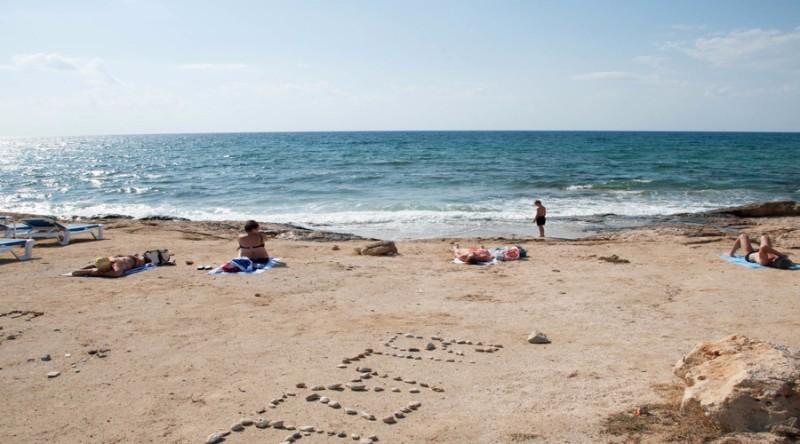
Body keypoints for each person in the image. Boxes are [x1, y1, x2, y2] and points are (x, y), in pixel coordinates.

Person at [729, 233, 794, 269]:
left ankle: (731, 253)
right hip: (761, 253)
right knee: (765, 237)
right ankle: (757, 245)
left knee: (743, 236)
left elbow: (763, 248)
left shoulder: (765, 261)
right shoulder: (775, 260)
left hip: (750, 254)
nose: (777, 257)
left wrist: (780, 254)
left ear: (775, 261)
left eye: (777, 258)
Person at [72, 254, 146, 278]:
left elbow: (117, 273)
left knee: (144, 259)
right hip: (127, 258)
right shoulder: (107, 260)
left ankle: (142, 255)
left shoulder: (117, 263)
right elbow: (94, 264)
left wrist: (95, 273)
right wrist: (83, 269)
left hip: (135, 261)